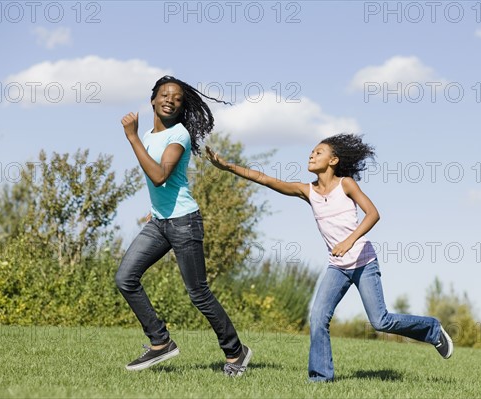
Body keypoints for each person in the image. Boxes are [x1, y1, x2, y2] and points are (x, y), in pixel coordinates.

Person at [206, 133, 453, 382]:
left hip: (364, 263)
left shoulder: (346, 184)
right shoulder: (308, 191)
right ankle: (321, 378)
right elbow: (264, 179)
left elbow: (373, 214)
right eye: (311, 152)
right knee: (318, 317)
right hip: (338, 267)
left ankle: (432, 329)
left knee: (380, 321)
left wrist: (349, 241)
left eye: (318, 152)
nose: (311, 155)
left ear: (333, 160)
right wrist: (227, 166)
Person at [116, 75, 252, 377]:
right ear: (153, 99)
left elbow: (159, 176)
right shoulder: (151, 135)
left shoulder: (179, 136)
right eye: (164, 95)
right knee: (126, 277)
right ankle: (160, 342)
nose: (170, 100)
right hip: (159, 222)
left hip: (184, 222)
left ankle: (236, 351)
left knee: (198, 293)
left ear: (182, 106)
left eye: (177, 98)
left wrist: (132, 137)